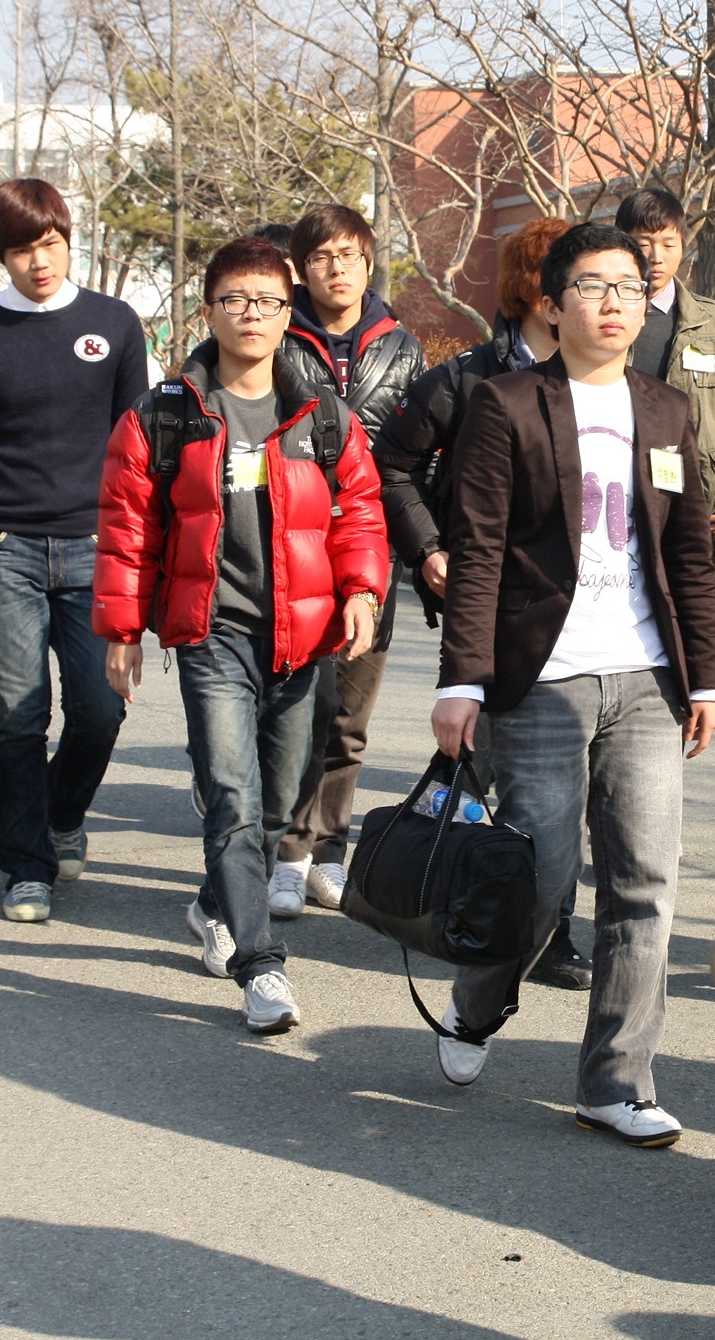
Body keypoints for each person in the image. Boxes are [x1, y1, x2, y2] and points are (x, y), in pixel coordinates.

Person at [428, 221, 715, 1145]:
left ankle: (617, 1082)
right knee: (541, 880)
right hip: (542, 679)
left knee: (645, 885)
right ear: (553, 306)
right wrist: (463, 679)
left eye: (629, 288)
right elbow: (478, 549)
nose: (613, 303)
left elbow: (690, 554)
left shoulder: (668, 410)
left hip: (647, 678)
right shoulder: (507, 403)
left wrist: (709, 678)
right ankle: (477, 1000)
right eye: (593, 287)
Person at [95, 237, 386, 1033]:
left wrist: (362, 590)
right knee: (232, 794)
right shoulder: (165, 414)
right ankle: (261, 966)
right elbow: (126, 528)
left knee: (279, 801)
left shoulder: (321, 413)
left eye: (267, 301)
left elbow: (360, 509)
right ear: (208, 311)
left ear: (288, 314)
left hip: (301, 636)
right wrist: (123, 629)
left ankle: (214, 901)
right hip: (211, 631)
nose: (251, 315)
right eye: (234, 300)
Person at [373, 216, 593, 992]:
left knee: (558, 780)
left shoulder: (606, 379)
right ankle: (432, 887)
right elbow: (390, 464)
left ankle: (549, 928)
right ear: (540, 291)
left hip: (580, 618)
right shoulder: (467, 379)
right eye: (577, 279)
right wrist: (429, 549)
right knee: (477, 764)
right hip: (489, 608)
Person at [0, 179, 150, 925]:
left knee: (100, 710)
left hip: (95, 547)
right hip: (3, 546)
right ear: (0, 255)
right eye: (21, 250)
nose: (39, 262)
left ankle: (60, 812)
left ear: (68, 240)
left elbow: (138, 451)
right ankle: (26, 866)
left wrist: (140, 556)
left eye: (50, 244)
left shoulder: (113, 324)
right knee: (20, 716)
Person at [270, 203, 427, 918]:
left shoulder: (403, 348)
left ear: (368, 263)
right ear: (301, 269)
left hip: (371, 547)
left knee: (350, 716)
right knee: (294, 711)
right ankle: (285, 850)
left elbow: (419, 458)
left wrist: (425, 548)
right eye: (321, 257)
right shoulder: (276, 337)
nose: (337, 269)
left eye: (349, 256)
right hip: (288, 547)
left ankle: (328, 849)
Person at [616, 187, 715, 536]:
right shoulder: (602, 318)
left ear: (683, 246)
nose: (656, 256)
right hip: (614, 498)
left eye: (669, 244)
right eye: (643, 243)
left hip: (694, 505)